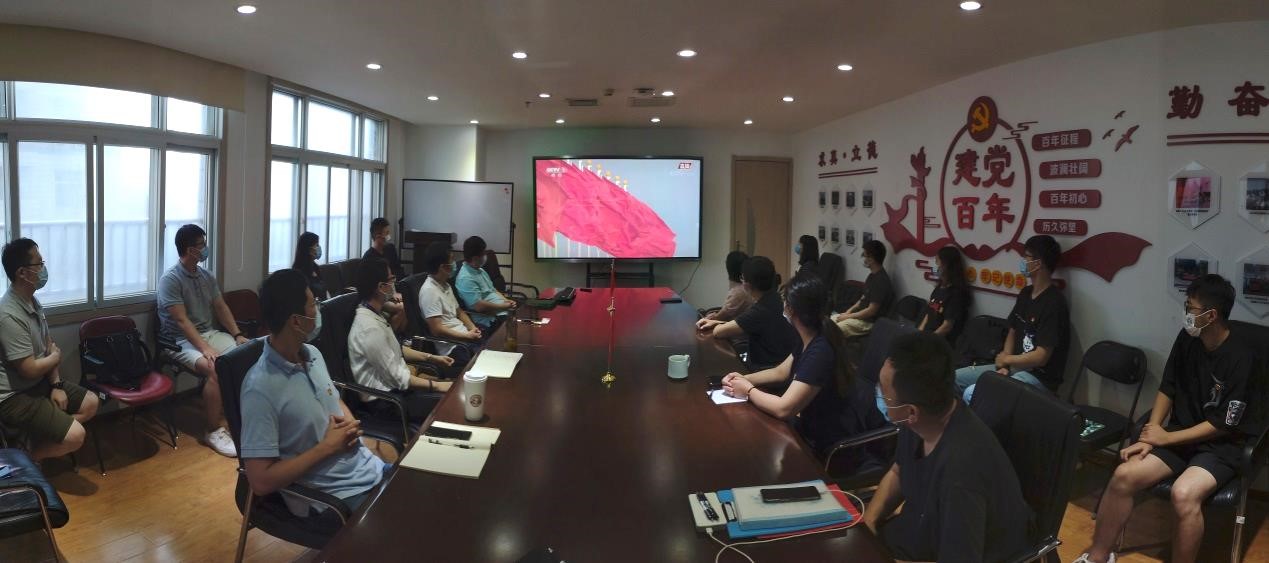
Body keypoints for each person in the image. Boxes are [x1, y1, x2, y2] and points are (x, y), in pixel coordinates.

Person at [1075, 275, 1262, 563]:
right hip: (1178, 435)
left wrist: (1165, 437)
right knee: (1124, 476)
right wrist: (1151, 434)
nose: (1186, 313)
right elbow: (1168, 387)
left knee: (1183, 494)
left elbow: (1223, 424)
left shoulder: (1242, 357)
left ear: (1211, 316)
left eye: (1191, 307)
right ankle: (1098, 556)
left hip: (1222, 446)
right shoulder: (1188, 338)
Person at [868, 331, 1033, 562]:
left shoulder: (962, 471)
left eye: (884, 392)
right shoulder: (919, 420)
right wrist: (868, 524)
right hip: (914, 537)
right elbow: (898, 471)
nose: (878, 392)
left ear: (912, 411)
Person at [241, 268, 387, 529]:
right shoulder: (259, 389)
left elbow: (332, 398)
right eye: (313, 304)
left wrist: (349, 424)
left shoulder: (312, 354)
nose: (318, 309)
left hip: (366, 468)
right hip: (334, 496)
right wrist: (327, 447)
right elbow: (260, 481)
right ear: (296, 321)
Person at [721, 273, 887, 458]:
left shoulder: (820, 350)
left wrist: (748, 390)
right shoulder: (810, 335)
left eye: (784, 301)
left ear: (791, 309)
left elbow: (784, 409)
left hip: (826, 441)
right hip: (810, 425)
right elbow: (781, 372)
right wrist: (743, 378)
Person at [0, 239, 99, 462]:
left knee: (91, 403)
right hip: (14, 396)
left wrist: (56, 385)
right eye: (39, 263)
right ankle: (26, 459)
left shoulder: (32, 301)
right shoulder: (8, 314)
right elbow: (29, 368)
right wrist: (55, 357)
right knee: (76, 436)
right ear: (22, 273)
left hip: (39, 383)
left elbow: (48, 345)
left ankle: (35, 443)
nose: (43, 269)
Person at [157, 224, 247, 457]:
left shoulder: (206, 276)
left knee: (246, 356)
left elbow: (220, 307)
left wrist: (237, 335)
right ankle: (213, 430)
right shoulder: (170, 279)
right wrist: (205, 348)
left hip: (209, 333)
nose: (205, 248)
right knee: (216, 369)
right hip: (178, 342)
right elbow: (181, 321)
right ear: (190, 250)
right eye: (201, 245)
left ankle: (243, 416)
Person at [954, 235, 1069, 403]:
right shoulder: (1026, 293)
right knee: (955, 378)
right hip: (1013, 366)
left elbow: (1041, 357)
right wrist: (1005, 363)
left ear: (1039, 263)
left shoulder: (1054, 302)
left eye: (1026, 257)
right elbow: (1012, 330)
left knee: (974, 393)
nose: (1023, 261)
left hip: (1038, 377)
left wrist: (1007, 359)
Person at [349, 258, 455, 422]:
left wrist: (432, 358)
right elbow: (398, 378)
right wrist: (437, 385)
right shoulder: (369, 328)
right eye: (391, 279)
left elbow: (395, 348)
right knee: (450, 403)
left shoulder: (374, 314)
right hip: (387, 402)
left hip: (399, 391)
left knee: (452, 389)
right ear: (381, 287)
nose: (394, 283)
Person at [697, 256, 797, 370]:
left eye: (742, 278)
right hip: (781, 363)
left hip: (764, 368)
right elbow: (745, 324)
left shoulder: (760, 310)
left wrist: (716, 324)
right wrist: (716, 322)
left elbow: (718, 332)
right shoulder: (776, 299)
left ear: (747, 285)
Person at [418, 242, 483, 358]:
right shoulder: (429, 291)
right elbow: (437, 330)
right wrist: (467, 336)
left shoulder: (445, 285)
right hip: (453, 348)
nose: (454, 264)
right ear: (442, 267)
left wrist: (472, 328)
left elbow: (460, 312)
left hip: (465, 338)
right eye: (452, 260)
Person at [833, 239, 893, 337]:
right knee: (828, 323)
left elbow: (871, 311)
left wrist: (848, 317)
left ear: (872, 258)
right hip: (859, 317)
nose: (864, 259)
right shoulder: (872, 276)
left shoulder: (881, 281)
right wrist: (847, 313)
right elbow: (862, 299)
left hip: (869, 322)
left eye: (865, 255)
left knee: (834, 330)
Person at [454, 236, 516, 331]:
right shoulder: (465, 278)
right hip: (490, 319)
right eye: (483, 254)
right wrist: (503, 306)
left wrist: (507, 301)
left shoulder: (480, 270)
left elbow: (493, 290)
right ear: (475, 258)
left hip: (503, 311)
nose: (485, 256)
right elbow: (479, 306)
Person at [916, 245, 971, 344]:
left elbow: (947, 326)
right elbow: (928, 315)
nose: (935, 267)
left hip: (940, 343)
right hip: (927, 337)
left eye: (937, 262)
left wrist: (926, 342)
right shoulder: (938, 288)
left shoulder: (957, 294)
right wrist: (918, 334)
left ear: (947, 265)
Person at [363, 217, 408, 332]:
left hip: (392, 290)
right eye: (386, 233)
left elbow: (397, 271)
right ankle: (390, 335)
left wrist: (396, 291)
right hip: (378, 296)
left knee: (410, 301)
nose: (389, 236)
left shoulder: (390, 250)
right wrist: (390, 293)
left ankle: (402, 336)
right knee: (403, 308)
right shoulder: (369, 257)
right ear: (378, 236)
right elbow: (371, 287)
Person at [695, 250, 753, 327]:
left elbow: (720, 318)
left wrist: (711, 317)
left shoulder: (738, 292)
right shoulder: (744, 287)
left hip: (734, 331)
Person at [292, 231, 328, 302]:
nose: (319, 248)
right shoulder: (298, 273)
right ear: (308, 249)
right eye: (317, 245)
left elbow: (324, 291)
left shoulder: (315, 267)